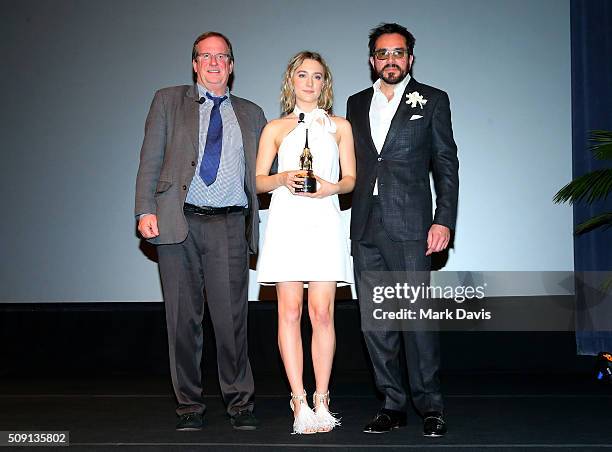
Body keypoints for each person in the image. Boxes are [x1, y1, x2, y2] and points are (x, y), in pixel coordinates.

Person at [135, 31, 267, 431]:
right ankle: (189, 404)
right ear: (194, 63)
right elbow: (150, 159)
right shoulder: (167, 100)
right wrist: (144, 209)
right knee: (182, 320)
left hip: (229, 223)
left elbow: (264, 174)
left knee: (232, 320)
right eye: (205, 56)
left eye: (222, 56)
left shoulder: (252, 112)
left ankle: (240, 402)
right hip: (179, 222)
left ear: (231, 65)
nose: (213, 63)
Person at [346, 23, 459, 437]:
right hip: (365, 226)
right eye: (382, 53)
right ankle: (391, 403)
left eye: (398, 52)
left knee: (417, 321)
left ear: (410, 58)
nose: (390, 60)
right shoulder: (356, 103)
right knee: (375, 322)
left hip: (413, 226)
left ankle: (430, 405)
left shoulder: (432, 100)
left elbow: (446, 164)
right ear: (372, 60)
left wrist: (444, 218)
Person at [255, 51, 356, 434]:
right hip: (287, 222)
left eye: (317, 76)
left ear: (325, 83)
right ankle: (298, 400)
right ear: (291, 81)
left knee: (323, 314)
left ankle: (322, 398)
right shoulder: (274, 128)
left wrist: (331, 186)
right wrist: (283, 178)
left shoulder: (340, 127)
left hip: (325, 221)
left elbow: (350, 181)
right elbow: (259, 180)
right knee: (290, 312)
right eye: (302, 75)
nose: (310, 82)